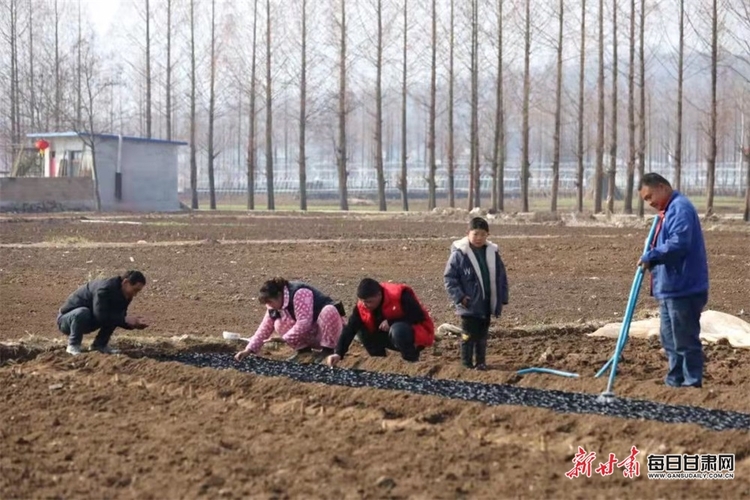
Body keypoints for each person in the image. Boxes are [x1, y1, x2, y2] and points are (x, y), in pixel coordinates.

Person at [637, 173, 709, 388]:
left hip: (684, 288)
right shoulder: (666, 212)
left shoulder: (679, 208)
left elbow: (679, 243)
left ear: (662, 187)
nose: (650, 203)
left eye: (650, 197)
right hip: (670, 288)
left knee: (685, 341)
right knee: (670, 341)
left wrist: (652, 255)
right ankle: (674, 383)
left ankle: (691, 384)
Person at [443, 217, 509, 370]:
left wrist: (502, 297)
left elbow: (501, 276)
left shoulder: (492, 253)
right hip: (469, 304)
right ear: (468, 234)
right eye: (476, 234)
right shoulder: (459, 255)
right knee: (467, 335)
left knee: (482, 335)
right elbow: (449, 278)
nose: (479, 238)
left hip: (486, 303)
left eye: (482, 234)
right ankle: (466, 364)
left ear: (487, 235)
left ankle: (481, 362)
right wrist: (460, 297)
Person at [325, 278, 435, 367]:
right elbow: (350, 329)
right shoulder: (362, 306)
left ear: (379, 295)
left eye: (369, 301)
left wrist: (391, 321)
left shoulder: (401, 295)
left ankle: (411, 360)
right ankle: (379, 360)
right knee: (360, 328)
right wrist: (338, 353)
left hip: (415, 335)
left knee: (397, 329)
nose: (365, 305)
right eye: (362, 301)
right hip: (386, 335)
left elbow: (418, 315)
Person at [235, 278, 345, 363]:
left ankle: (328, 350)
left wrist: (285, 339)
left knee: (329, 310)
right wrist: (248, 350)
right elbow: (265, 327)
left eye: (270, 301)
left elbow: (304, 323)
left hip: (327, 330)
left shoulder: (300, 293)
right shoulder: (274, 306)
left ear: (279, 295)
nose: (269, 306)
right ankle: (303, 351)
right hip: (311, 333)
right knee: (278, 323)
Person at [57, 270, 149, 355]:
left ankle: (99, 345)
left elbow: (118, 317)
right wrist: (124, 319)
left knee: (114, 316)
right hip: (67, 320)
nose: (135, 294)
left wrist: (134, 324)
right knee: (83, 312)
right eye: (135, 290)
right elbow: (100, 315)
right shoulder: (104, 289)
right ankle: (73, 346)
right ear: (125, 282)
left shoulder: (125, 295)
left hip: (88, 320)